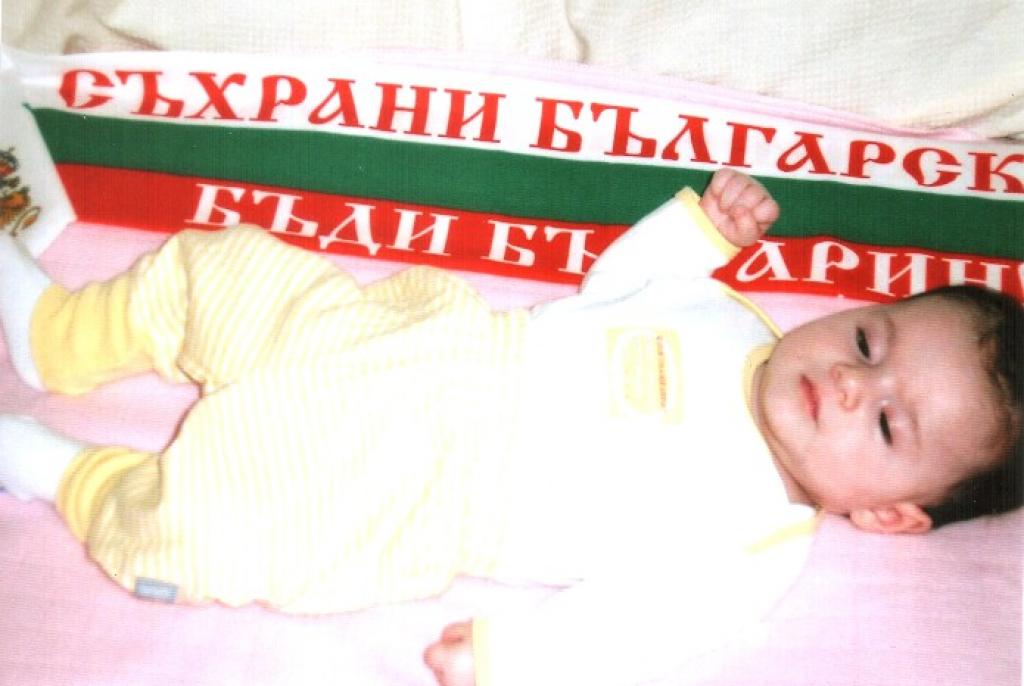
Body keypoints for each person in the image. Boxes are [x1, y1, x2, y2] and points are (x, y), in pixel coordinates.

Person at [0, 170, 1020, 686]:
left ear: (890, 513)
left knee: (212, 530)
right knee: (224, 270)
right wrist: (701, 233)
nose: (846, 382)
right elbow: (616, 285)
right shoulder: (732, 315)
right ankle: (62, 336)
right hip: (403, 335)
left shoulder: (755, 542)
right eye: (870, 342)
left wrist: (516, 658)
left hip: (407, 484)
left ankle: (66, 472)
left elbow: (635, 633)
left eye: (887, 423)